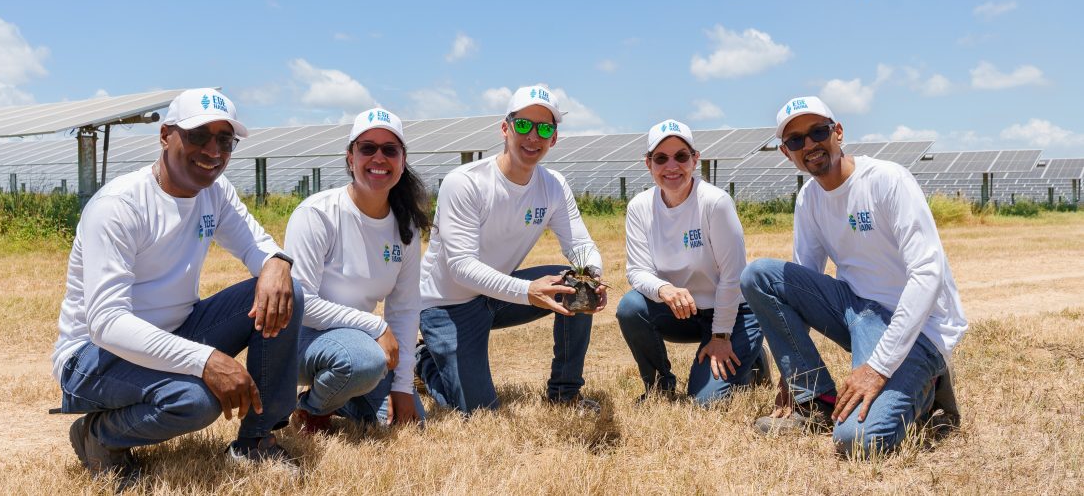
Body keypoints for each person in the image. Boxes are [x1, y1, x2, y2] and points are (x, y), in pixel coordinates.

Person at [51, 88, 304, 484]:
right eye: (199, 135)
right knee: (196, 401)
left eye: (225, 140)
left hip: (175, 331)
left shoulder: (215, 194)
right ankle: (98, 435)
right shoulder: (119, 206)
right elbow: (106, 323)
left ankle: (257, 440)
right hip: (94, 357)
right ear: (166, 135)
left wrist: (275, 262)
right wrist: (204, 361)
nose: (213, 150)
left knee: (286, 291)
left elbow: (259, 247)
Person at [740, 95, 968, 457]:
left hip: (919, 328)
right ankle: (816, 401)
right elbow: (802, 281)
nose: (810, 145)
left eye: (818, 132)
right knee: (759, 276)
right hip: (856, 311)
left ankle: (931, 384)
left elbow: (927, 273)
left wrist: (878, 368)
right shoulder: (809, 199)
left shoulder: (887, 180)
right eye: (796, 140)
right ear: (787, 153)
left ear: (839, 132)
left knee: (858, 441)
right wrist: (792, 373)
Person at [415, 84, 607, 414]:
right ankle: (424, 361)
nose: (533, 136)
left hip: (498, 293)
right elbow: (461, 265)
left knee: (575, 287)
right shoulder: (466, 183)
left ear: (554, 138)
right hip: (447, 304)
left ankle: (564, 392)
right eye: (523, 125)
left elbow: (580, 245)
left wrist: (592, 276)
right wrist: (527, 290)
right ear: (505, 128)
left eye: (545, 128)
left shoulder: (553, 186)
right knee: (477, 412)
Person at [283, 108, 428, 432]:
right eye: (367, 148)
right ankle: (312, 410)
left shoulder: (404, 228)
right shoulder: (318, 214)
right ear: (351, 157)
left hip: (359, 344)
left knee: (402, 425)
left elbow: (404, 309)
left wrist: (403, 387)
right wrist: (375, 326)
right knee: (365, 361)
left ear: (402, 160)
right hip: (300, 343)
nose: (379, 157)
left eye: (390, 150)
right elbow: (301, 305)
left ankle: (342, 395)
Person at [616, 119, 765, 406]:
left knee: (704, 402)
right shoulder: (639, 207)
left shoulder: (715, 202)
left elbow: (733, 277)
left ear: (695, 159)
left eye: (681, 156)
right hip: (682, 310)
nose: (672, 166)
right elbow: (637, 271)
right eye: (661, 158)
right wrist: (663, 290)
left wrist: (721, 336)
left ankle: (753, 356)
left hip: (732, 314)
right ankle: (660, 386)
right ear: (648, 164)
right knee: (631, 308)